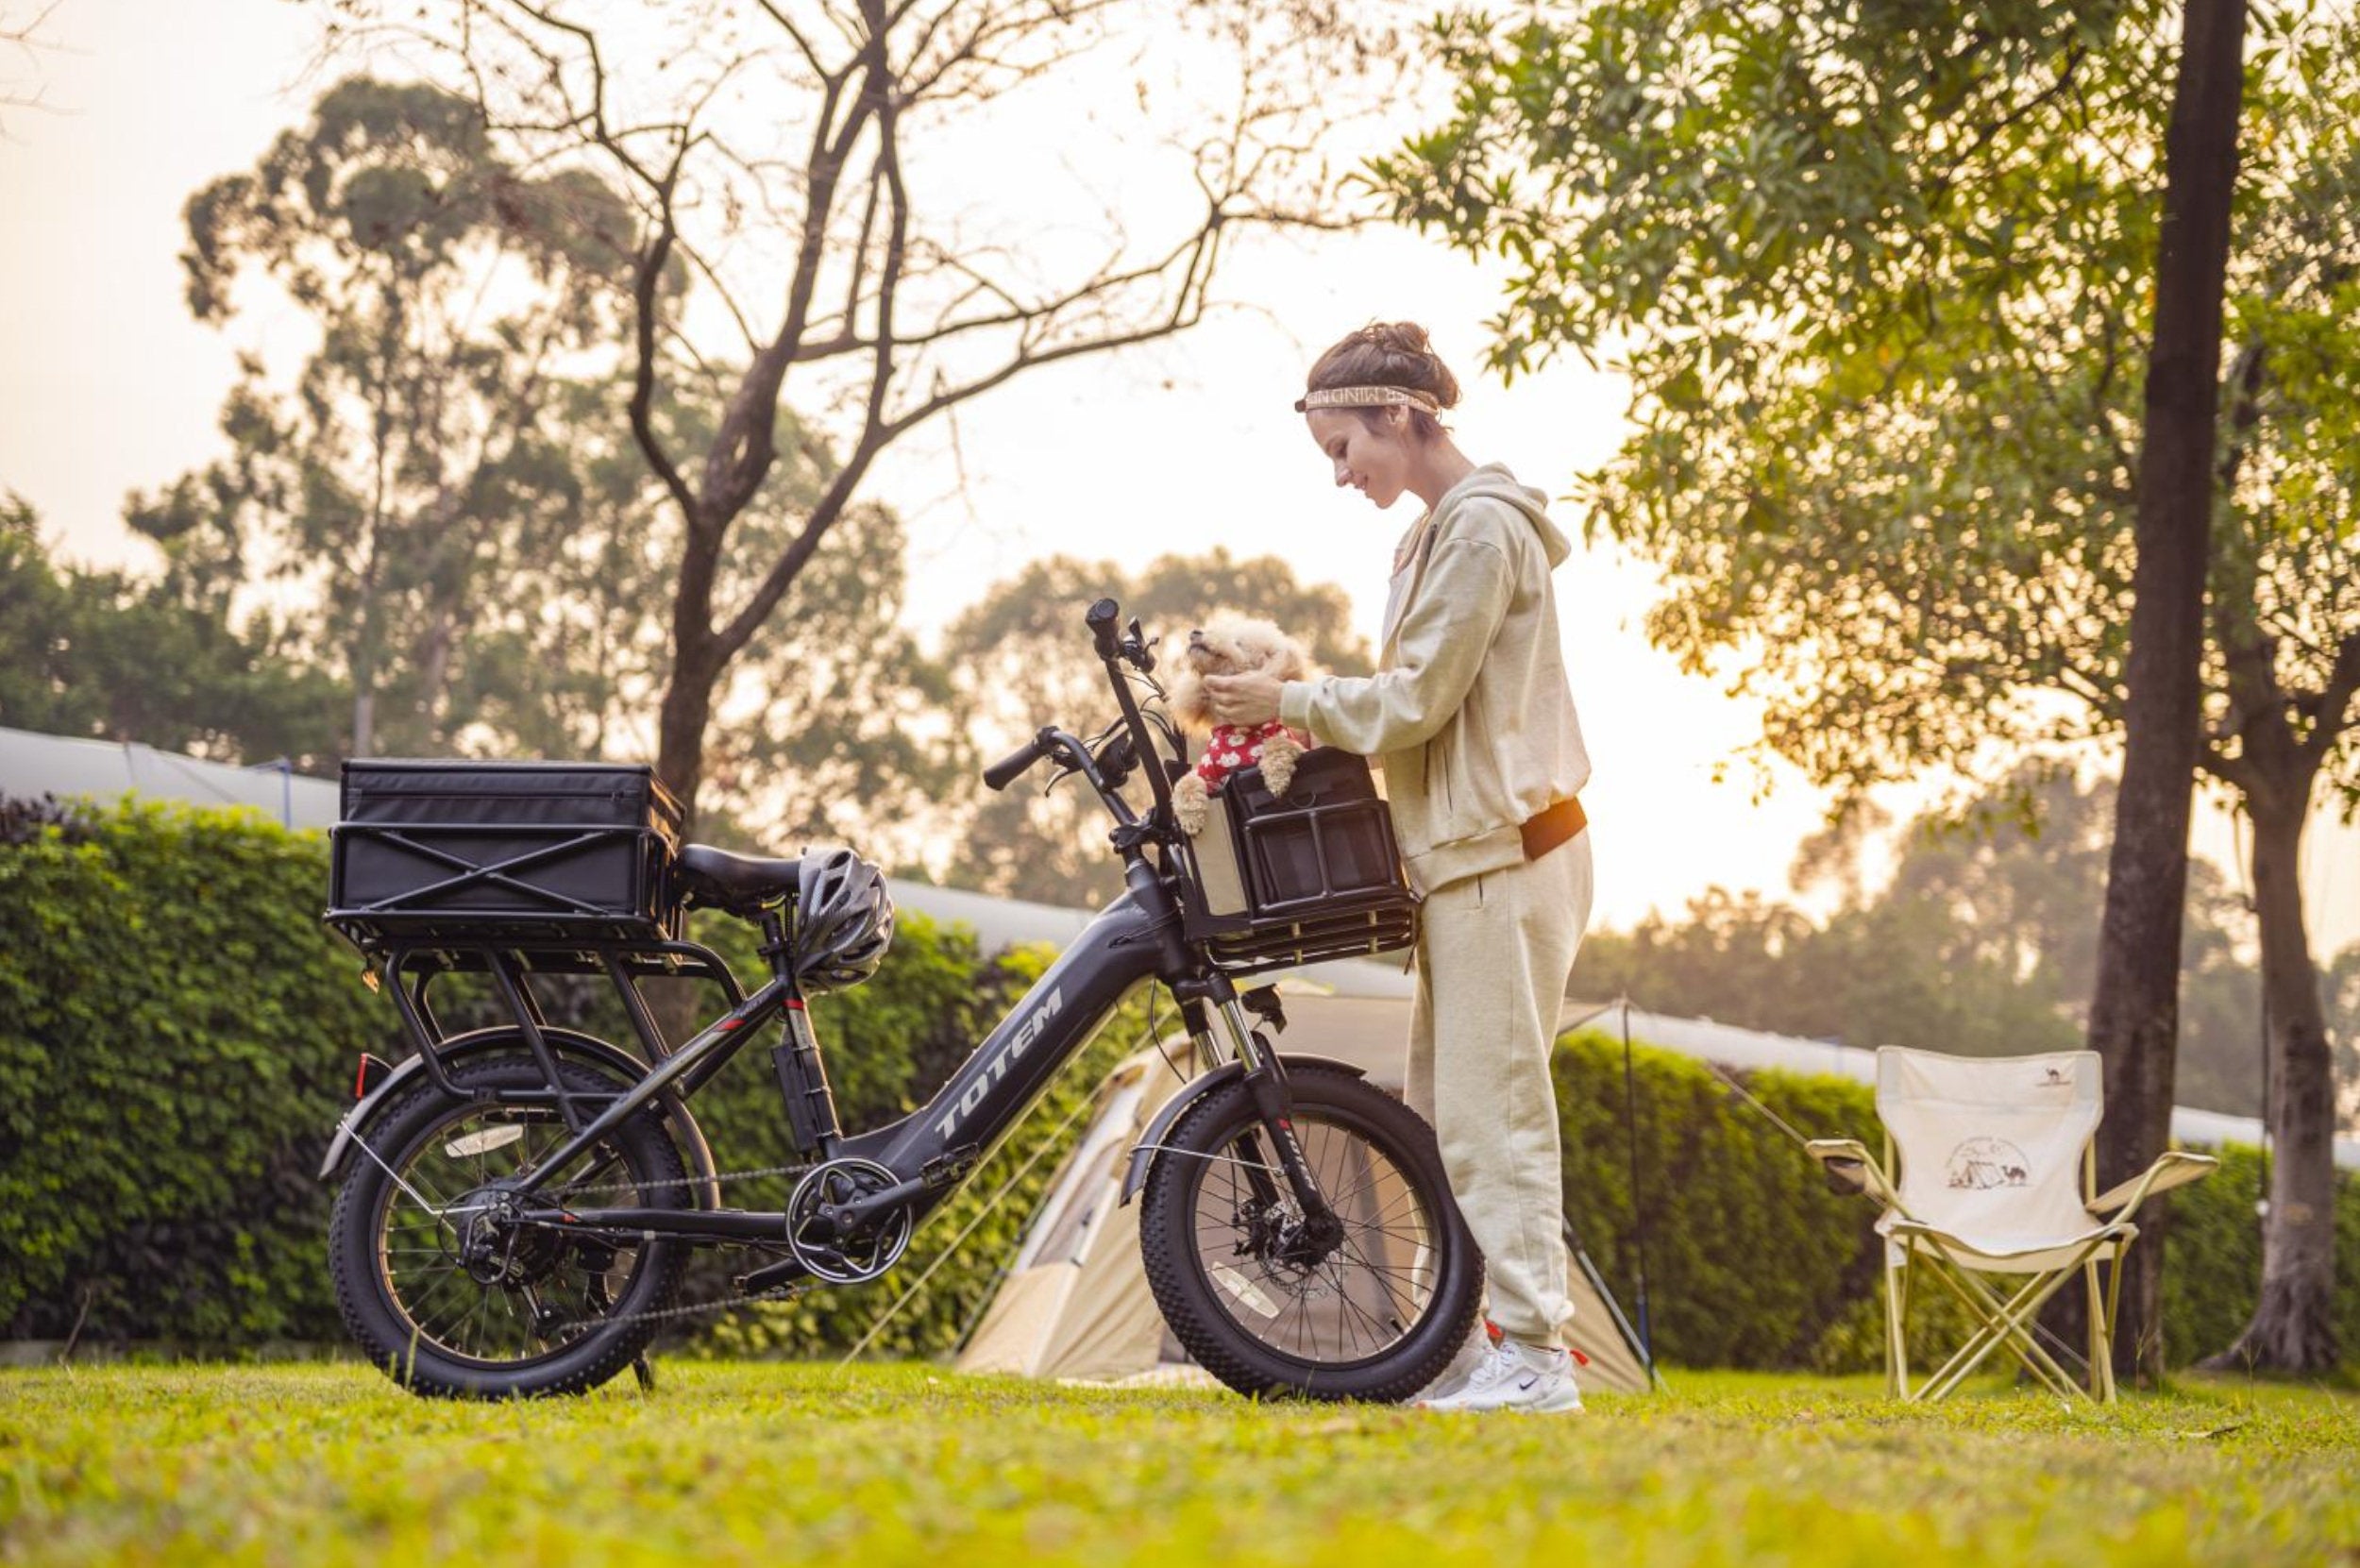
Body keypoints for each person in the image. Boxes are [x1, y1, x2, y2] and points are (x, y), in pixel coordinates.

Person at [1205, 322, 1594, 1414]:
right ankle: (1464, 1348)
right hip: (1467, 865)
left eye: (1344, 446)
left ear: (1401, 416)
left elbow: (1416, 702)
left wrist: (1286, 702)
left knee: (1494, 1112)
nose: (1340, 474)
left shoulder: (1478, 533)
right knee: (1445, 1109)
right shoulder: (1434, 536)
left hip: (1508, 858)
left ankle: (1535, 1358)